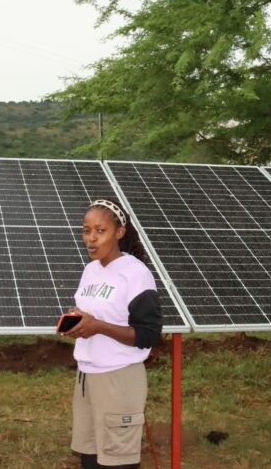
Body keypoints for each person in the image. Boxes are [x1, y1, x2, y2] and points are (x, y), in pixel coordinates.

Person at [62, 198, 163, 469]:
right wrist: (78, 323)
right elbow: (93, 313)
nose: (91, 238)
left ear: (119, 232)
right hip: (87, 376)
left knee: (118, 461)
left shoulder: (135, 275)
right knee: (90, 458)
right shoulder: (90, 271)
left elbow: (149, 334)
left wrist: (98, 327)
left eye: (100, 230)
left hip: (119, 378)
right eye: (86, 230)